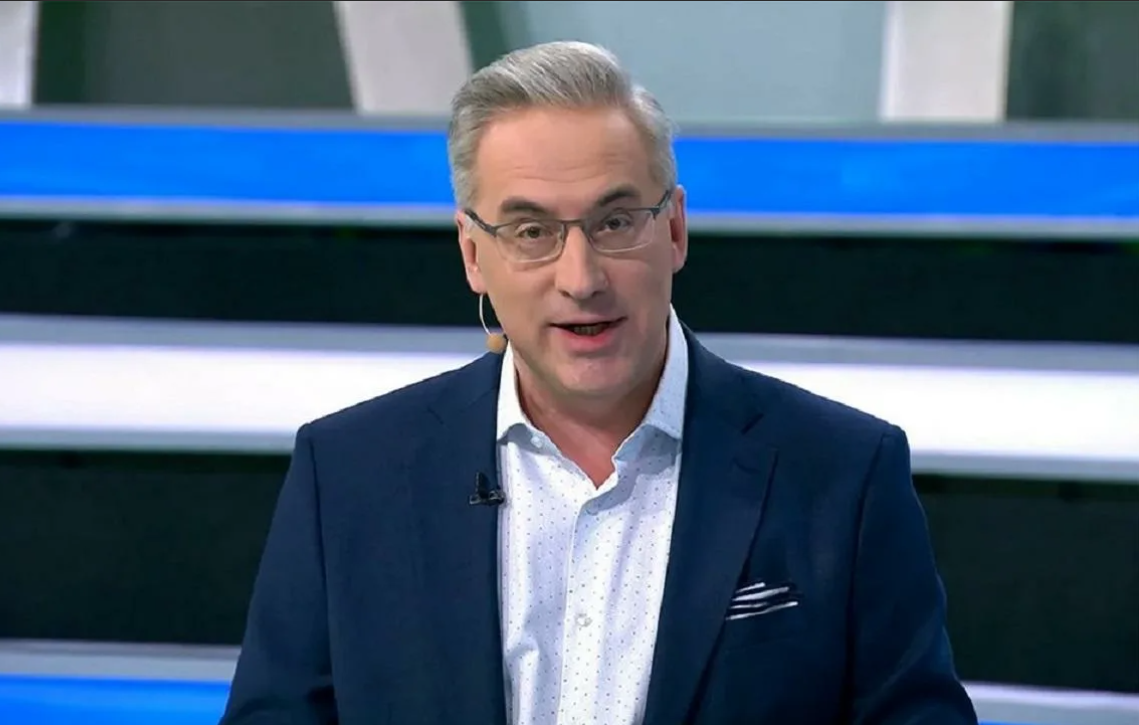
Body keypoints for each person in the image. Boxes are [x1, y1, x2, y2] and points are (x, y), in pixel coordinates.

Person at [220, 40, 977, 725]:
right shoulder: (348, 473)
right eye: (531, 232)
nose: (580, 278)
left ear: (674, 230)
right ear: (473, 255)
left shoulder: (842, 473)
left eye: (615, 223)